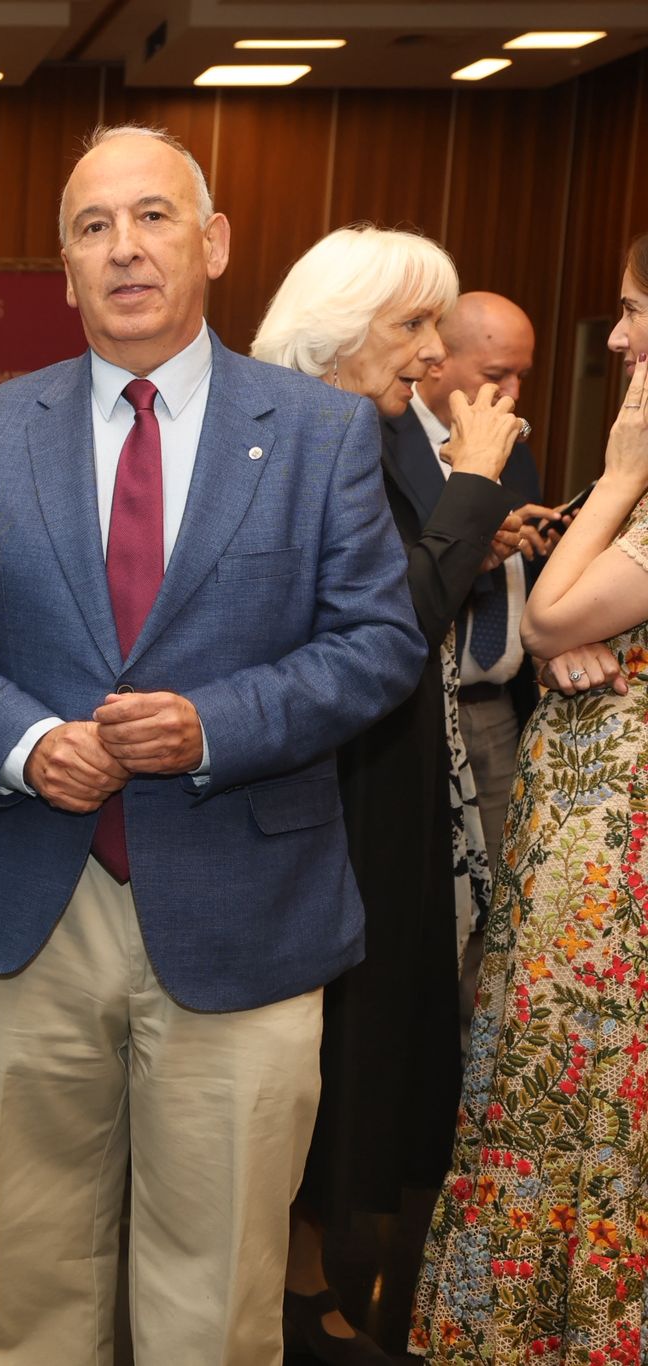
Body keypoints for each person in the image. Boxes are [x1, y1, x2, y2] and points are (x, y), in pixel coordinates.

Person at [0, 126, 425, 1365]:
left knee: (214, 1283)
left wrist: (208, 725)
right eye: (91, 227)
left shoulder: (317, 433)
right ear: (62, 267)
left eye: (152, 218)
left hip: (246, 906)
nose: (123, 248)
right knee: (22, 1268)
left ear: (212, 241)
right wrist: (20, 741)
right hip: (36, 901)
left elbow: (375, 647)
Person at [249, 226, 528, 1365]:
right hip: (332, 780)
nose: (432, 352)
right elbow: (385, 615)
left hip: (395, 772)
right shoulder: (303, 433)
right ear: (337, 324)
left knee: (370, 1042)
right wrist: (470, 483)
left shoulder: (369, 428)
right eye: (410, 324)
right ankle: (287, 1286)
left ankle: (312, 1265)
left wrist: (474, 520)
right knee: (327, 1044)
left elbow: (420, 569)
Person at [411, 233, 648, 1364]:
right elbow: (568, 621)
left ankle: (538, 1336)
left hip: (615, 886)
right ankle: (488, 1326)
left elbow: (555, 614)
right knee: (515, 1094)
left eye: (629, 310)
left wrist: (614, 475)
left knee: (569, 1118)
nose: (610, 337)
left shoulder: (635, 476)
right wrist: (572, 631)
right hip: (576, 857)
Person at [403, 291, 560, 866]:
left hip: (500, 705)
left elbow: (516, 563)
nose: (515, 393)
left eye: (523, 373)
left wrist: (534, 544)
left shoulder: (512, 446)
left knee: (502, 892)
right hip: (418, 706)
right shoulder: (383, 440)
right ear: (439, 358)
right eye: (498, 374)